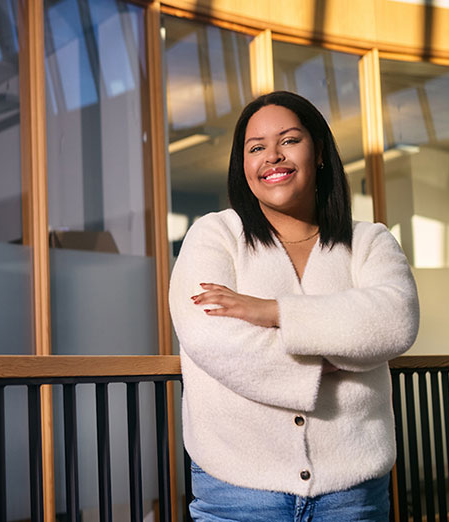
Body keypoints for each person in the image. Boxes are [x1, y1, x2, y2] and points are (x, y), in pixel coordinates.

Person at [168, 91, 420, 521]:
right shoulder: (214, 235)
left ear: (318, 152)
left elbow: (395, 320)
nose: (273, 156)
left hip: (352, 492)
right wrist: (333, 357)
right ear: (242, 164)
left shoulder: (369, 240)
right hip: (237, 491)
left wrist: (272, 312)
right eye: (256, 147)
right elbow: (209, 335)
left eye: (289, 140)